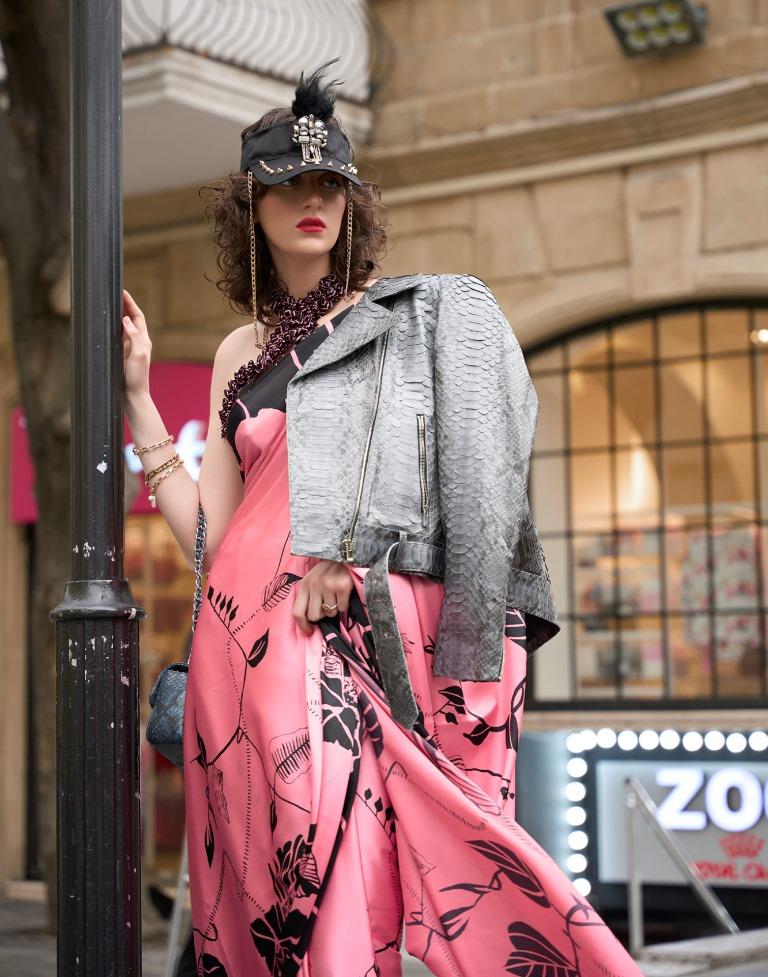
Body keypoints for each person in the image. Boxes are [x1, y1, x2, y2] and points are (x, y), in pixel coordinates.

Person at [123, 60, 645, 977]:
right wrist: (137, 398)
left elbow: (463, 479)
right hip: (232, 650)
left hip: (341, 644)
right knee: (260, 904)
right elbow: (210, 540)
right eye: (289, 185)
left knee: (347, 879)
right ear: (252, 205)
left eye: (331, 184)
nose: (311, 202)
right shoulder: (238, 351)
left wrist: (357, 549)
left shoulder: (404, 323)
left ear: (354, 203)